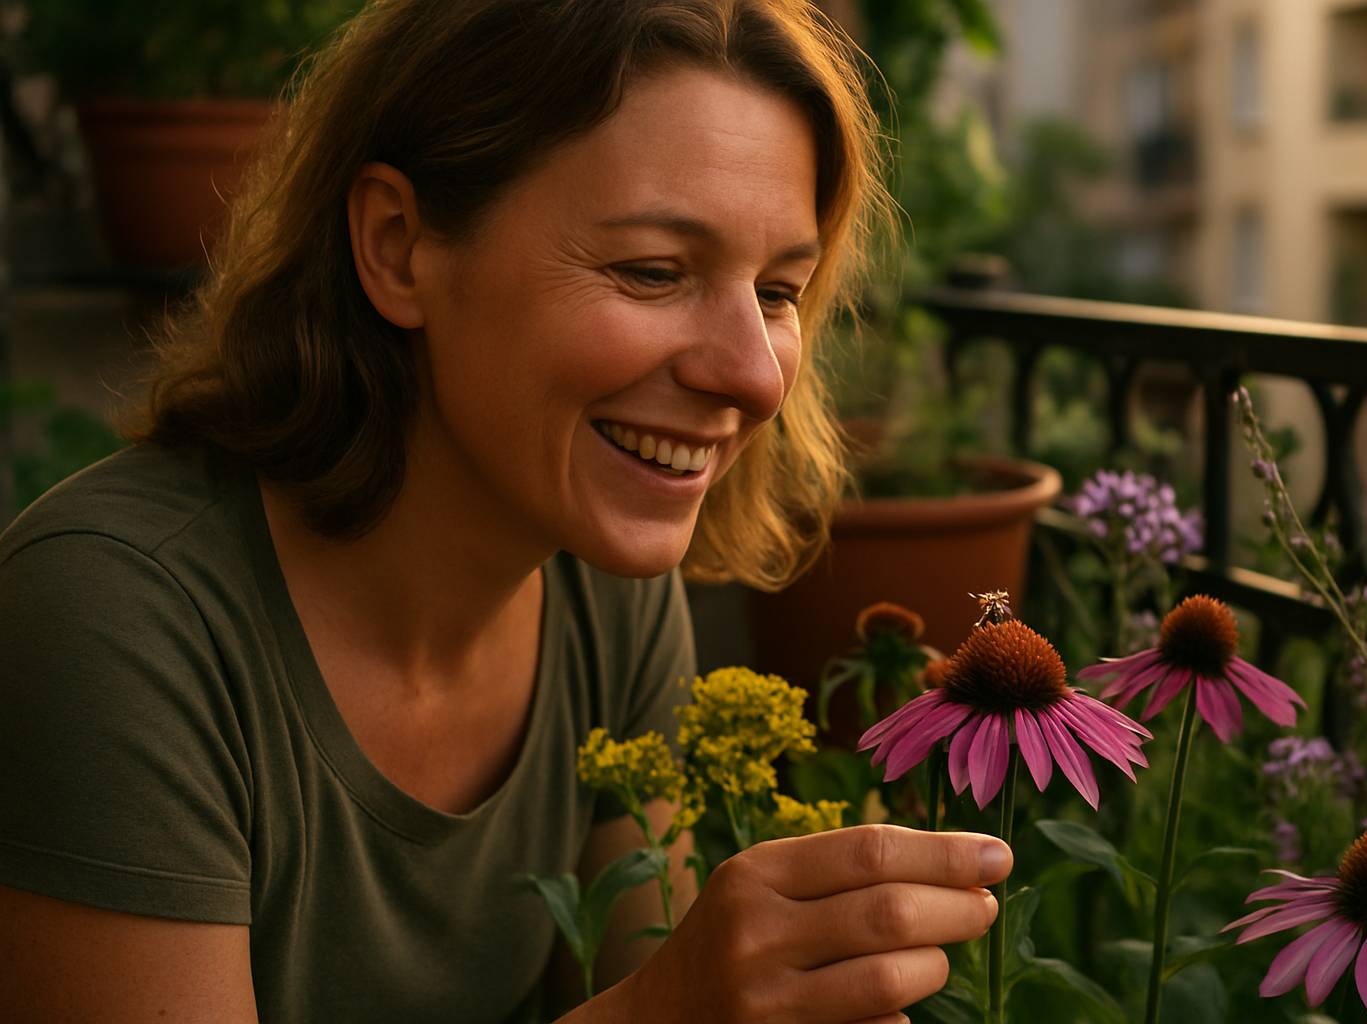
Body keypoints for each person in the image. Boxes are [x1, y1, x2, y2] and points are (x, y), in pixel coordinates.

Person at [0, 2, 1012, 1021]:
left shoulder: (601, 585)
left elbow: (627, 970)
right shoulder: (111, 618)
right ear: (398, 247)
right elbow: (646, 1001)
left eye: (780, 290)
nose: (753, 374)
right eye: (653, 272)